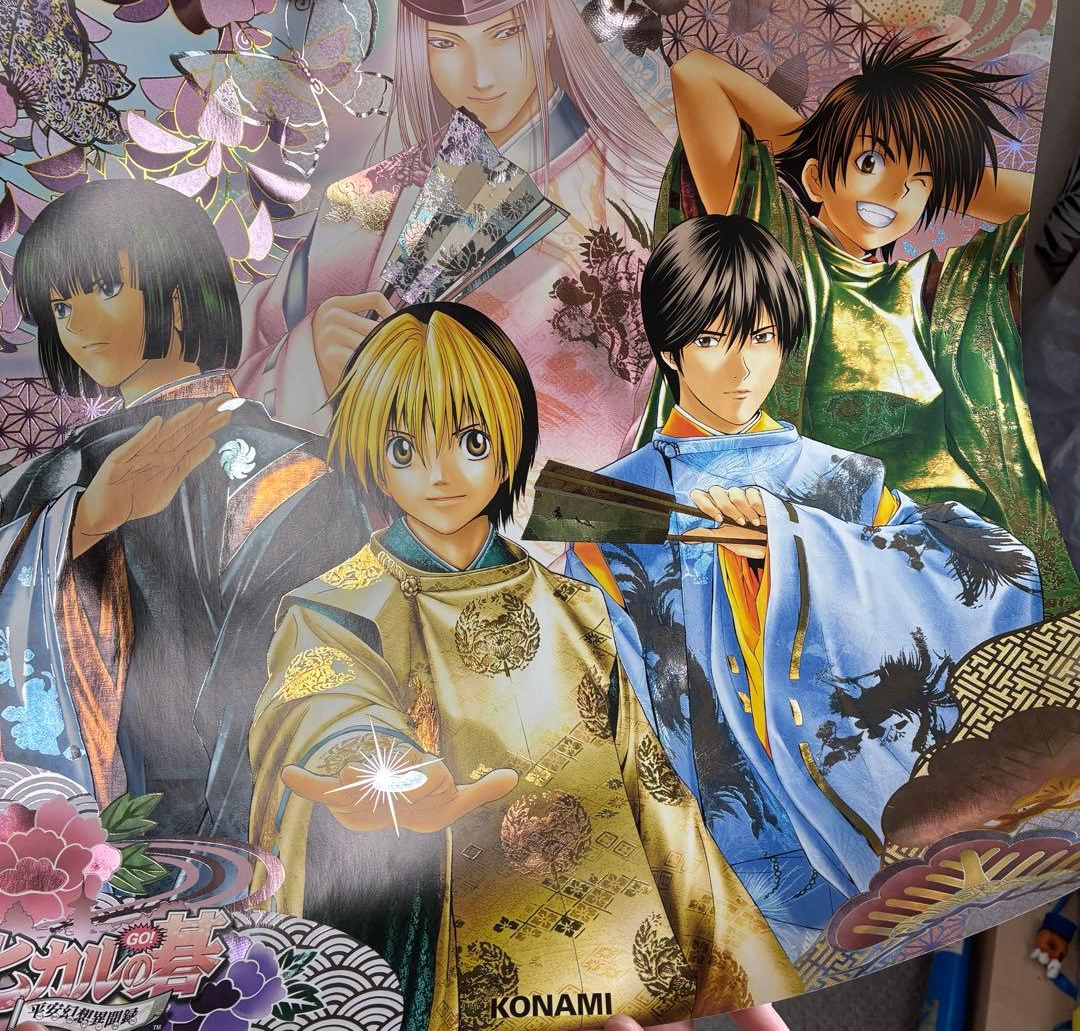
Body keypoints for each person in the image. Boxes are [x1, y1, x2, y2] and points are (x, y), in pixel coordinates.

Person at [248, 302, 805, 1031]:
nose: (440, 474)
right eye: (404, 447)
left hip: (615, 953)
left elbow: (655, 793)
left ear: (511, 442)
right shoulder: (337, 608)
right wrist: (381, 768)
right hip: (452, 949)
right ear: (369, 454)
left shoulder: (575, 606)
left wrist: (732, 969)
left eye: (471, 440)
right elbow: (325, 704)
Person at [563, 214, 1044, 960]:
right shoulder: (611, 506)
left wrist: (801, 545)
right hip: (700, 850)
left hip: (851, 832)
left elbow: (1000, 574)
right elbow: (596, 692)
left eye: (760, 337)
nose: (741, 367)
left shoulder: (836, 479)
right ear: (668, 350)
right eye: (712, 339)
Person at [638, 34, 1079, 611]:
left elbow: (1035, 204)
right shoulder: (775, 250)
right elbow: (697, 74)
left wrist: (926, 169)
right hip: (831, 557)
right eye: (871, 163)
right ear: (817, 178)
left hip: (958, 554)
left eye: (918, 183)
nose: (894, 191)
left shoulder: (936, 288)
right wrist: (823, 139)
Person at [235, 0, 673, 527]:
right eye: (445, 43)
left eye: (504, 33)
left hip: (574, 543)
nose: (480, 76)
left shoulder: (647, 185)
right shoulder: (372, 200)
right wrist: (311, 358)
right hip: (392, 542)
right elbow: (240, 382)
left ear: (546, 23)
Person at [0, 179, 369, 838]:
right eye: (61, 304)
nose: (77, 323)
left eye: (104, 289)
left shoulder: (296, 471)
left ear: (177, 293)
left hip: (233, 823)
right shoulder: (56, 476)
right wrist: (80, 526)